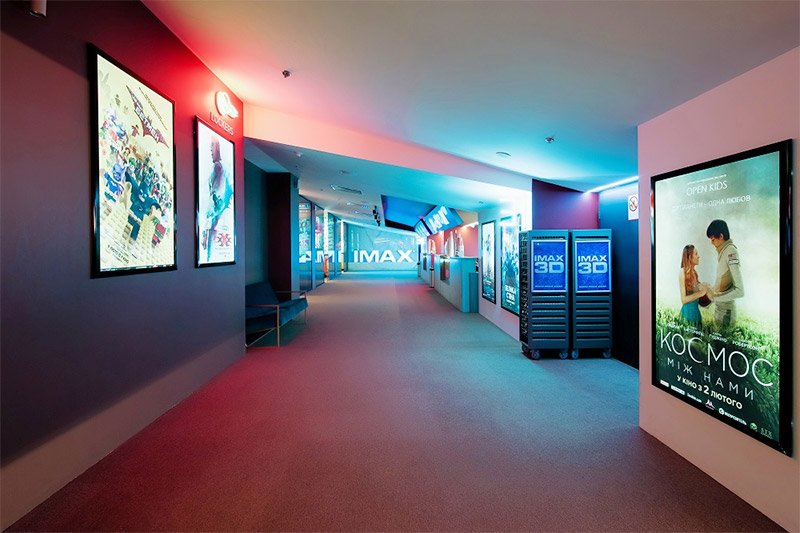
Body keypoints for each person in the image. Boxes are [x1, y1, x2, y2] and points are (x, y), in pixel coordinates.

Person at [706, 219, 744, 328]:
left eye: (713, 239)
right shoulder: (724, 251)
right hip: (720, 310)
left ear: (721, 236)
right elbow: (724, 281)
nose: (712, 243)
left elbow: (740, 291)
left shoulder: (731, 252)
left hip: (726, 314)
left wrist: (714, 298)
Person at [202, 136, 233, 261]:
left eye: (212, 145)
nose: (210, 149)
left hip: (216, 218)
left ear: (218, 148)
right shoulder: (224, 168)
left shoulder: (218, 167)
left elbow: (215, 198)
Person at [678, 245, 708, 325]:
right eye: (696, 254)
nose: (698, 256)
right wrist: (701, 293)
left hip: (696, 314)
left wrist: (705, 288)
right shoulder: (682, 272)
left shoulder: (694, 273)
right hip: (687, 314)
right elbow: (683, 300)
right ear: (690, 257)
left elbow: (698, 292)